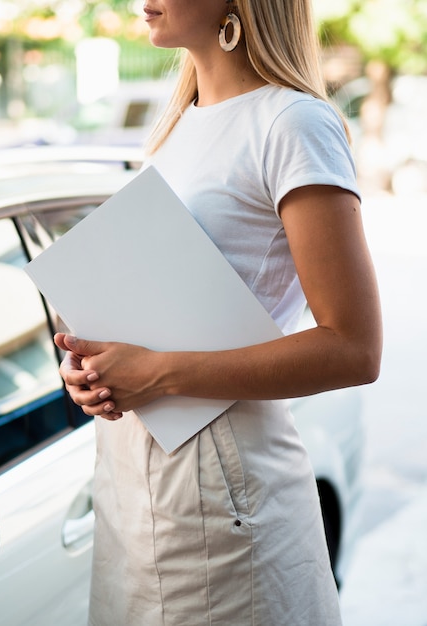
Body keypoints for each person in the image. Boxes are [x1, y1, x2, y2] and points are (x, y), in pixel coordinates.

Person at [55, 0, 382, 624]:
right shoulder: (178, 124)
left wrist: (155, 372)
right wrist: (93, 372)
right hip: (131, 480)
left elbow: (354, 347)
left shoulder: (292, 122)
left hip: (224, 489)